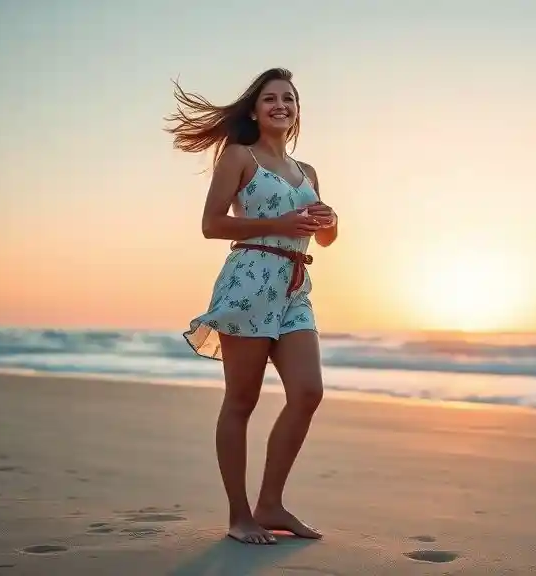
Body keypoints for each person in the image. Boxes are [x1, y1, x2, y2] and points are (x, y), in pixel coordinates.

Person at [165, 67, 338, 545]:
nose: (281, 105)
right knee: (241, 401)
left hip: (295, 287)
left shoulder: (309, 173)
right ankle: (240, 515)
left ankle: (271, 503)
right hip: (249, 281)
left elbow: (323, 237)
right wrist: (280, 224)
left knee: (308, 393)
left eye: (289, 98)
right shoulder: (239, 157)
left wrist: (329, 220)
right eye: (270, 98)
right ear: (255, 110)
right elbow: (211, 224)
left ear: (298, 109)